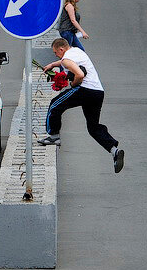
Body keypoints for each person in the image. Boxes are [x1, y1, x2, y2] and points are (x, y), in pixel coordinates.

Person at [38, 38, 124, 174]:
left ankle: (53, 136)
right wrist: (53, 64)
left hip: (85, 90)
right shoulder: (76, 51)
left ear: (61, 49)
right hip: (98, 92)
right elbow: (64, 61)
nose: (56, 55)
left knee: (55, 105)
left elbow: (79, 74)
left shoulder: (66, 59)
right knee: (93, 127)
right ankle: (114, 150)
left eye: (55, 53)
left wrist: (73, 85)